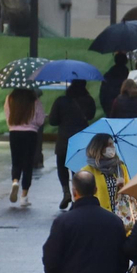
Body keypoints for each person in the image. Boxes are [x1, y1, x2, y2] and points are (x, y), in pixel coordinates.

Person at [48, 80, 98, 209]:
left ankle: (66, 191)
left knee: (62, 166)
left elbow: (53, 121)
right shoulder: (88, 100)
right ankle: (78, 197)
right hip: (81, 140)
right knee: (78, 170)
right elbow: (91, 116)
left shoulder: (61, 101)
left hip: (64, 139)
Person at [82, 133, 137, 229]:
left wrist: (122, 187)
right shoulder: (87, 171)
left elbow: (130, 193)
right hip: (97, 220)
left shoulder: (120, 167)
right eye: (109, 145)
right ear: (100, 147)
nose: (113, 148)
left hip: (119, 219)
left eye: (113, 144)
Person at [5, 87, 45, 206]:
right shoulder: (34, 100)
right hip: (30, 134)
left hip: (14, 133)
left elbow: (8, 116)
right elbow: (40, 120)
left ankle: (15, 181)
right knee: (28, 164)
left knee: (16, 161)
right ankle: (24, 196)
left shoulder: (10, 98)